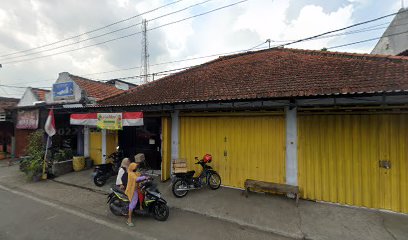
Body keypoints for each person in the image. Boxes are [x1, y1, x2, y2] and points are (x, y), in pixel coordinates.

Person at [125, 162, 147, 227]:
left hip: (136, 189)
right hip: (132, 191)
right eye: (135, 167)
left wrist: (146, 176)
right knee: (133, 204)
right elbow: (137, 178)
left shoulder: (133, 172)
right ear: (132, 168)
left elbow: (138, 174)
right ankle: (129, 220)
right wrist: (144, 177)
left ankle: (140, 206)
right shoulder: (131, 174)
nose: (136, 168)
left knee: (142, 194)